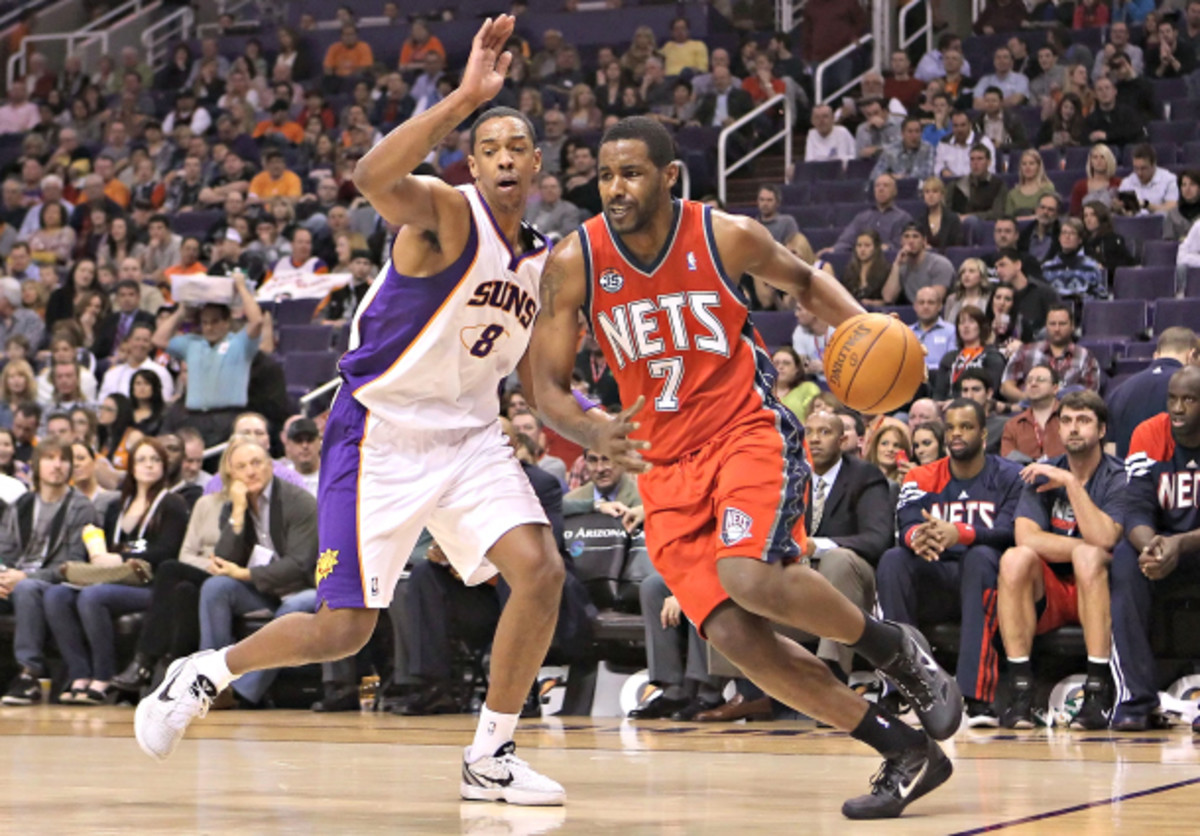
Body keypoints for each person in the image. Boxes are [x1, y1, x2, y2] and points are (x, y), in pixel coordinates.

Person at [135, 18, 568, 807]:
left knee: (539, 573)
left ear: (538, 163)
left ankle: (492, 755)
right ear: (474, 163)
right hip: (379, 434)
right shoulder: (444, 213)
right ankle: (204, 672)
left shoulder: (541, 259)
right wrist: (464, 98)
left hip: (469, 437)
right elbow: (372, 176)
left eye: (518, 146)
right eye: (491, 145)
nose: (505, 156)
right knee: (344, 630)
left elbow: (534, 382)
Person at [530, 114, 963, 820]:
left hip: (744, 433)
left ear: (670, 177)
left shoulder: (724, 234)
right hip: (662, 466)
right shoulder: (576, 261)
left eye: (632, 172)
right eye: (606, 174)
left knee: (750, 575)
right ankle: (903, 749)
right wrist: (589, 428)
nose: (615, 187)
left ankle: (894, 652)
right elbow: (544, 386)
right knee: (734, 637)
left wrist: (873, 348)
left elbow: (808, 285)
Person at [875, 399, 1024, 727]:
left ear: (983, 433)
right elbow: (908, 522)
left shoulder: (1009, 476)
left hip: (988, 581)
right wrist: (918, 537)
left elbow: (1011, 531)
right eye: (952, 427)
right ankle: (901, 689)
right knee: (894, 560)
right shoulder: (921, 475)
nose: (957, 434)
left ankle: (977, 698)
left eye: (966, 427)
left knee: (981, 558)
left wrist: (962, 533)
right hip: (936, 575)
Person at [996, 390, 1124, 729]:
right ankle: (1020, 690)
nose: (1073, 428)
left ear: (1101, 430)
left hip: (1101, 588)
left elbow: (1108, 539)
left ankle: (1097, 690)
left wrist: (1069, 483)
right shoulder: (1041, 472)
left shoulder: (1117, 475)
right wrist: (1087, 545)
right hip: (1050, 590)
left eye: (1083, 421)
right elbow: (1027, 537)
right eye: (1066, 420)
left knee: (1088, 558)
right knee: (1014, 558)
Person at [43, 437, 189, 704]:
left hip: (150, 585)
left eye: (155, 460)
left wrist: (119, 557)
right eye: (142, 459)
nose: (149, 465)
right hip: (111, 579)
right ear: (131, 466)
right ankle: (79, 674)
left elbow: (167, 553)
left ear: (165, 466)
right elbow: (102, 550)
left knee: (93, 597)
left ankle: (104, 677)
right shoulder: (115, 507)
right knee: (56, 595)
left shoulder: (173, 504)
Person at [197, 437, 319, 709]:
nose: (250, 471)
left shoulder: (299, 502)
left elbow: (299, 564)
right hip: (265, 590)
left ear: (271, 465)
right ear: (232, 475)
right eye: (241, 467)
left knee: (294, 607)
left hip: (305, 586)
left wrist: (244, 575)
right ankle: (214, 684)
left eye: (256, 463)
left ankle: (240, 693)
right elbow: (223, 560)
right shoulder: (234, 505)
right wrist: (238, 513)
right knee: (215, 589)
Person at [0, 440, 100, 705]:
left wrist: (26, 578)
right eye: (49, 458)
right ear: (36, 465)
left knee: (27, 589)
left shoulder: (80, 507)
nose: (57, 465)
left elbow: (74, 564)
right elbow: (5, 551)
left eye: (63, 459)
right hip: (14, 578)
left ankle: (30, 674)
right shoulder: (21, 505)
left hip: (53, 583)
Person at [802, 411, 894, 680]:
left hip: (855, 585)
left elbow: (877, 539)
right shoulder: (793, 477)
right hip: (803, 581)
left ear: (842, 441)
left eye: (825, 432)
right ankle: (724, 686)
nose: (815, 439)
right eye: (809, 432)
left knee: (838, 559)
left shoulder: (865, 476)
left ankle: (831, 673)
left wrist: (815, 546)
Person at [153, 273, 264, 448]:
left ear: (227, 322)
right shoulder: (193, 343)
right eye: (205, 322)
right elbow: (158, 339)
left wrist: (241, 287)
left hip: (228, 419)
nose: (209, 327)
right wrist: (181, 312)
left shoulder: (240, 343)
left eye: (214, 321)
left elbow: (257, 321)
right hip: (194, 419)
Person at [1105, 327, 1199, 459]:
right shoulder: (1194, 390)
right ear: (1192, 356)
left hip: (1129, 476)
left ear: (1156, 355)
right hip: (1178, 476)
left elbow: (1110, 450)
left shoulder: (1118, 391)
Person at [1001, 306, 1100, 403]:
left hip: (1067, 413)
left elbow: (1090, 396)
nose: (1057, 329)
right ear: (1046, 326)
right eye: (1052, 324)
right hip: (1028, 410)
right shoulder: (1026, 351)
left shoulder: (1085, 356)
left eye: (1062, 324)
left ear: (1072, 326)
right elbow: (1006, 387)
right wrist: (1025, 398)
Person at [825, 174, 912, 255]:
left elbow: (901, 246)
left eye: (886, 185)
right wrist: (834, 250)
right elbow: (846, 240)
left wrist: (883, 248)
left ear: (894, 191)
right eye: (877, 186)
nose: (880, 189)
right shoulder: (862, 217)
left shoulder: (903, 218)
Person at [934, 307, 1008, 402]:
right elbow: (938, 393)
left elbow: (992, 391)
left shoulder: (992, 357)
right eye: (962, 322)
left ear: (981, 326)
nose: (966, 326)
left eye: (971, 322)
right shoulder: (949, 358)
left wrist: (956, 402)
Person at [993, 248, 1060, 343]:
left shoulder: (1044, 292)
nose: (998, 271)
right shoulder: (1000, 296)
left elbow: (1057, 324)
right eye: (996, 268)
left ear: (1018, 265)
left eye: (1002, 265)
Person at [1000, 364, 1066, 461]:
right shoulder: (1013, 425)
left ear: (1055, 388)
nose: (1033, 384)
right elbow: (1007, 461)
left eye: (1041, 380)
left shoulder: (1070, 417)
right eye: (1029, 381)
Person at [881, 224, 954, 305]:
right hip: (914, 312)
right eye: (906, 237)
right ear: (901, 241)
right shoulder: (902, 267)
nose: (910, 241)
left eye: (915, 236)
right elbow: (888, 298)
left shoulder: (939, 264)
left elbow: (934, 300)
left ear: (924, 241)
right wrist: (897, 264)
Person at [1041, 218, 1109, 301]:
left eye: (1072, 233)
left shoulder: (1091, 267)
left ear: (1080, 240)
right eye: (1064, 233)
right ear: (1059, 238)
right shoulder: (1047, 268)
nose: (1067, 236)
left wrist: (1082, 299)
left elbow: (1101, 298)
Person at [1118, 144, 1179, 215]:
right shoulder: (1127, 182)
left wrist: (1148, 206)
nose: (1139, 173)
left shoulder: (1169, 180)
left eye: (1143, 168)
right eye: (1136, 168)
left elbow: (1172, 207)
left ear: (1153, 165)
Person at [907, 286, 957, 374]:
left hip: (941, 379)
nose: (925, 306)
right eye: (921, 303)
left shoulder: (951, 331)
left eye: (931, 303)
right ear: (915, 306)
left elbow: (951, 363)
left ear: (940, 306)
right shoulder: (906, 332)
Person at [771, 347, 820, 424]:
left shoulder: (808, 388)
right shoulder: (761, 391)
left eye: (786, 363)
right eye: (776, 363)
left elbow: (816, 420)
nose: (780, 367)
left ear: (797, 369)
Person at [914, 177, 963, 250]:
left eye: (935, 191)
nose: (930, 195)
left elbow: (957, 248)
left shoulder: (953, 219)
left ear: (942, 195)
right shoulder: (919, 221)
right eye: (927, 192)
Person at [943, 259, 992, 327]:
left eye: (971, 271)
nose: (966, 275)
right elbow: (946, 326)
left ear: (981, 276)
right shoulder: (952, 299)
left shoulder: (990, 299)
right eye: (963, 272)